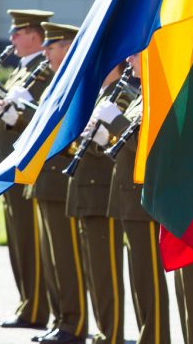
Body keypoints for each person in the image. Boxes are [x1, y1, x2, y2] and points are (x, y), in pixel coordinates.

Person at [0, 9, 53, 331]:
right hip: (6, 166)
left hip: (23, 168)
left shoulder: (43, 72)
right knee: (17, 240)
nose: (11, 39)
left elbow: (38, 120)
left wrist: (15, 117)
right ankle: (27, 303)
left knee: (28, 240)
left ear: (35, 37)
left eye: (18, 33)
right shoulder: (21, 71)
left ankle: (36, 308)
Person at [96, 52, 171, 344]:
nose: (129, 60)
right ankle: (148, 336)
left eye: (136, 55)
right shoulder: (141, 95)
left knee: (148, 278)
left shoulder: (156, 94)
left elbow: (146, 146)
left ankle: (155, 338)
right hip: (128, 197)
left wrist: (115, 122)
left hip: (144, 199)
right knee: (140, 277)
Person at [22, 23, 87, 344]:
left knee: (66, 256)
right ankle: (61, 318)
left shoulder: (76, 80)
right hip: (43, 178)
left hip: (61, 178)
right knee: (52, 257)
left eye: (53, 45)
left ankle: (74, 323)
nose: (45, 50)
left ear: (69, 46)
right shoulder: (55, 80)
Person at [66, 62, 136, 344]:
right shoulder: (101, 95)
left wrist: (103, 135)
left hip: (104, 191)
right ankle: (104, 330)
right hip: (87, 190)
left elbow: (116, 145)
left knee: (106, 270)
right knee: (95, 269)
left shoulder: (123, 95)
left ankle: (112, 333)